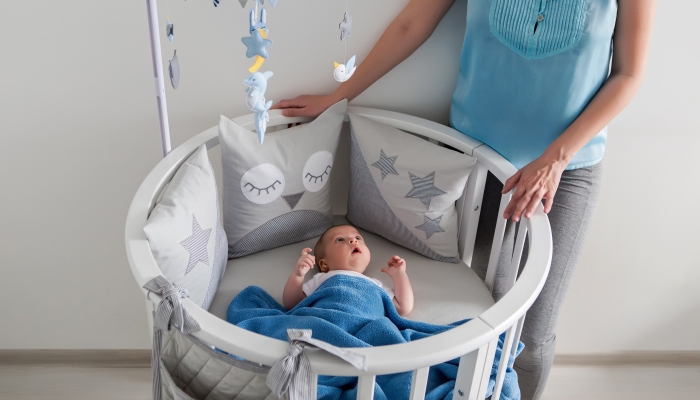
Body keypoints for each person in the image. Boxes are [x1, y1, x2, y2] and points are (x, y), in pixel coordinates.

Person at [273, 1, 657, 398]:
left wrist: (556, 158)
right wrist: (340, 98)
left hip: (565, 171)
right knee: (478, 314)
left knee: (534, 334)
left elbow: (628, 73)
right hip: (473, 160)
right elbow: (411, 25)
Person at [283, 225, 415, 316]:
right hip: (327, 320)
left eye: (358, 238)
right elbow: (292, 304)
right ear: (324, 264)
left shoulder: (374, 284)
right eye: (340, 240)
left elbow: (403, 308)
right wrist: (297, 275)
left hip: (366, 323)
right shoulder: (322, 279)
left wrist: (399, 275)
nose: (353, 240)